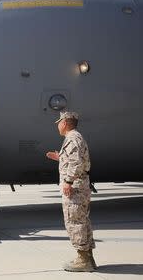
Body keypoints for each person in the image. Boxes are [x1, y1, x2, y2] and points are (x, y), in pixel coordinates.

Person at [46, 111, 97, 272]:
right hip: (79, 186)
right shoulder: (74, 138)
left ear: (65, 122)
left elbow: (76, 163)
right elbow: (74, 159)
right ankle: (87, 257)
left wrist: (68, 181)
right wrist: (60, 156)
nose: (57, 125)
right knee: (82, 221)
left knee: (75, 221)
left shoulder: (73, 138)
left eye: (59, 122)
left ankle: (83, 260)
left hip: (75, 188)